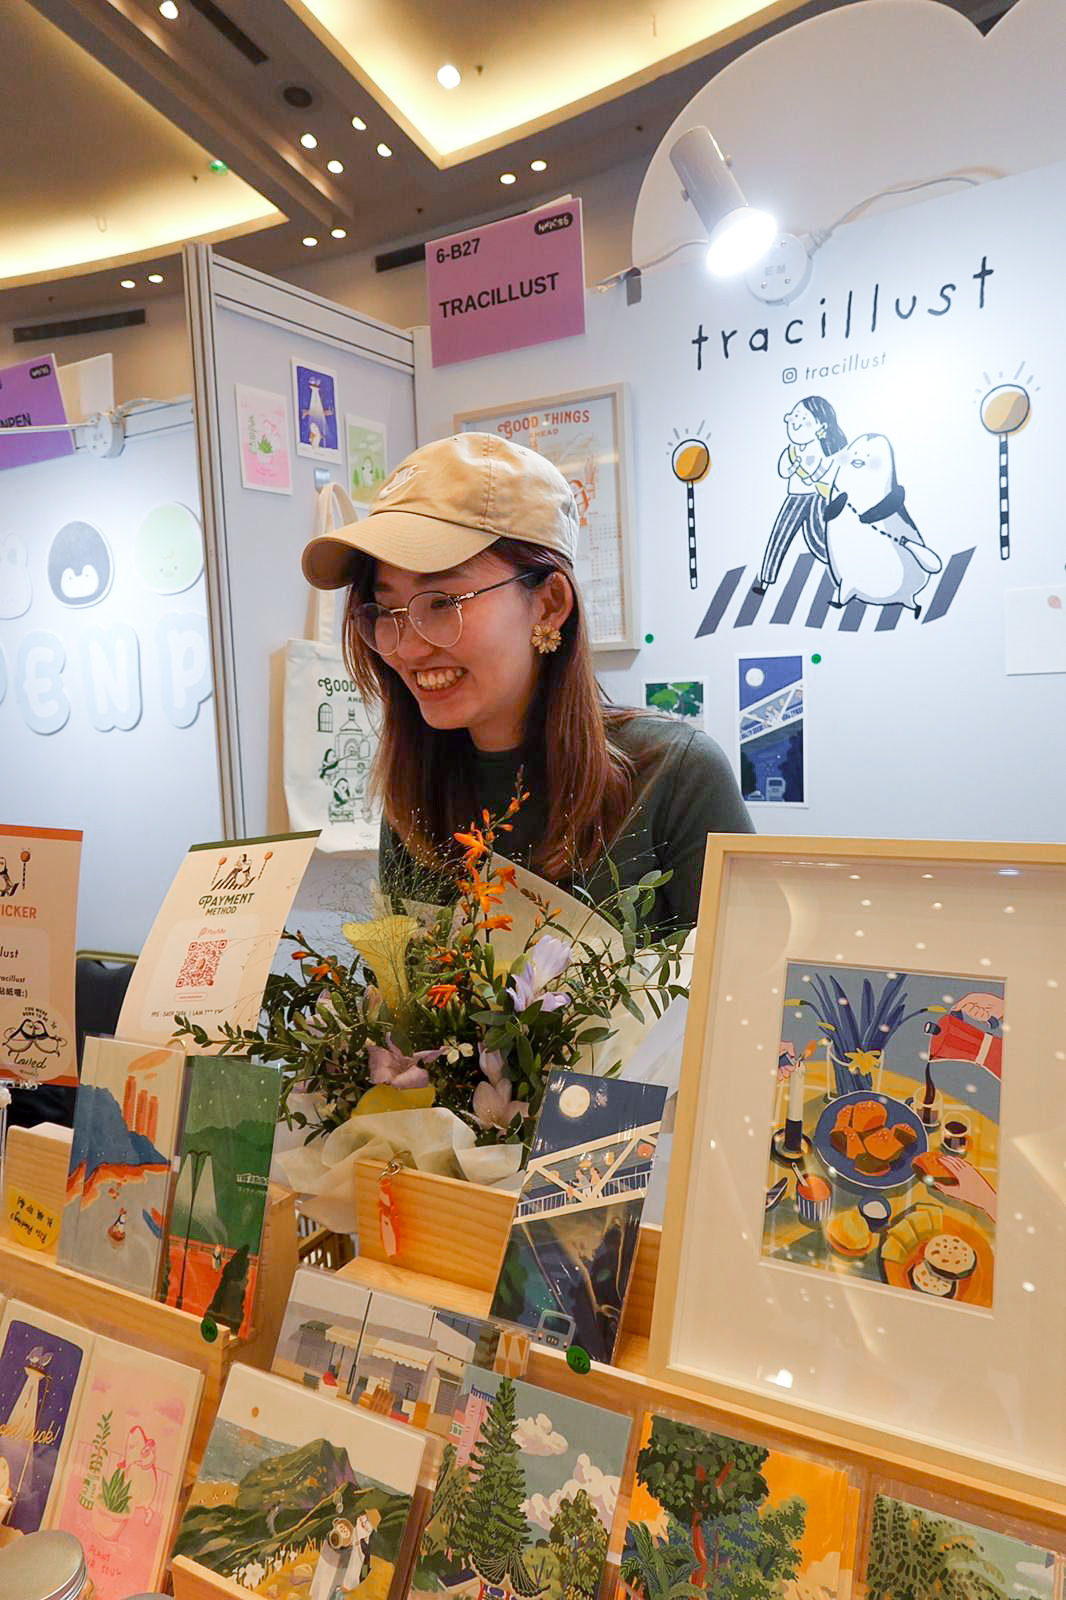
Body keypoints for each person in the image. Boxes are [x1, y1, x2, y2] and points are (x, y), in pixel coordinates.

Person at [302, 432, 752, 936]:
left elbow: (745, 979)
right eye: (387, 611)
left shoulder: (674, 776)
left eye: (442, 602)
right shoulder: (416, 793)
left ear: (549, 604)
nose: (407, 647)